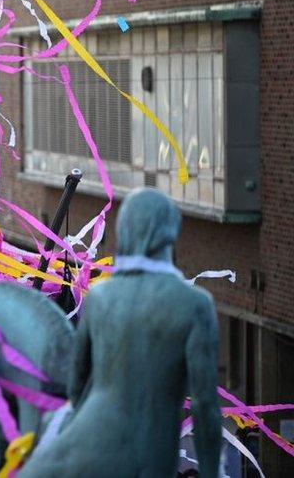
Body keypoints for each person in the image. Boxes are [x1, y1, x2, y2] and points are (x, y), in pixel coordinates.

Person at [19, 188, 221, 477]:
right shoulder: (195, 305)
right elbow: (206, 406)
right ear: (171, 232)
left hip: (94, 444)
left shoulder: (100, 297)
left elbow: (77, 385)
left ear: (125, 230)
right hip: (151, 453)